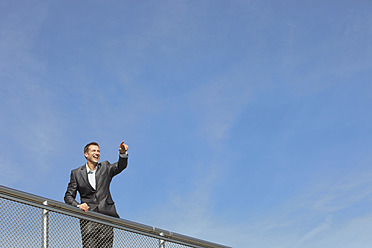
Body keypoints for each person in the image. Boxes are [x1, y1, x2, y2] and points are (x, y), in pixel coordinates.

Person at [64, 141, 129, 248]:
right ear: (86, 154)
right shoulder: (76, 173)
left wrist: (122, 154)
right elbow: (68, 196)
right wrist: (78, 205)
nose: (97, 153)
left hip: (106, 218)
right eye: (93, 151)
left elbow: (120, 166)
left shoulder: (105, 167)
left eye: (98, 151)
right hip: (88, 218)